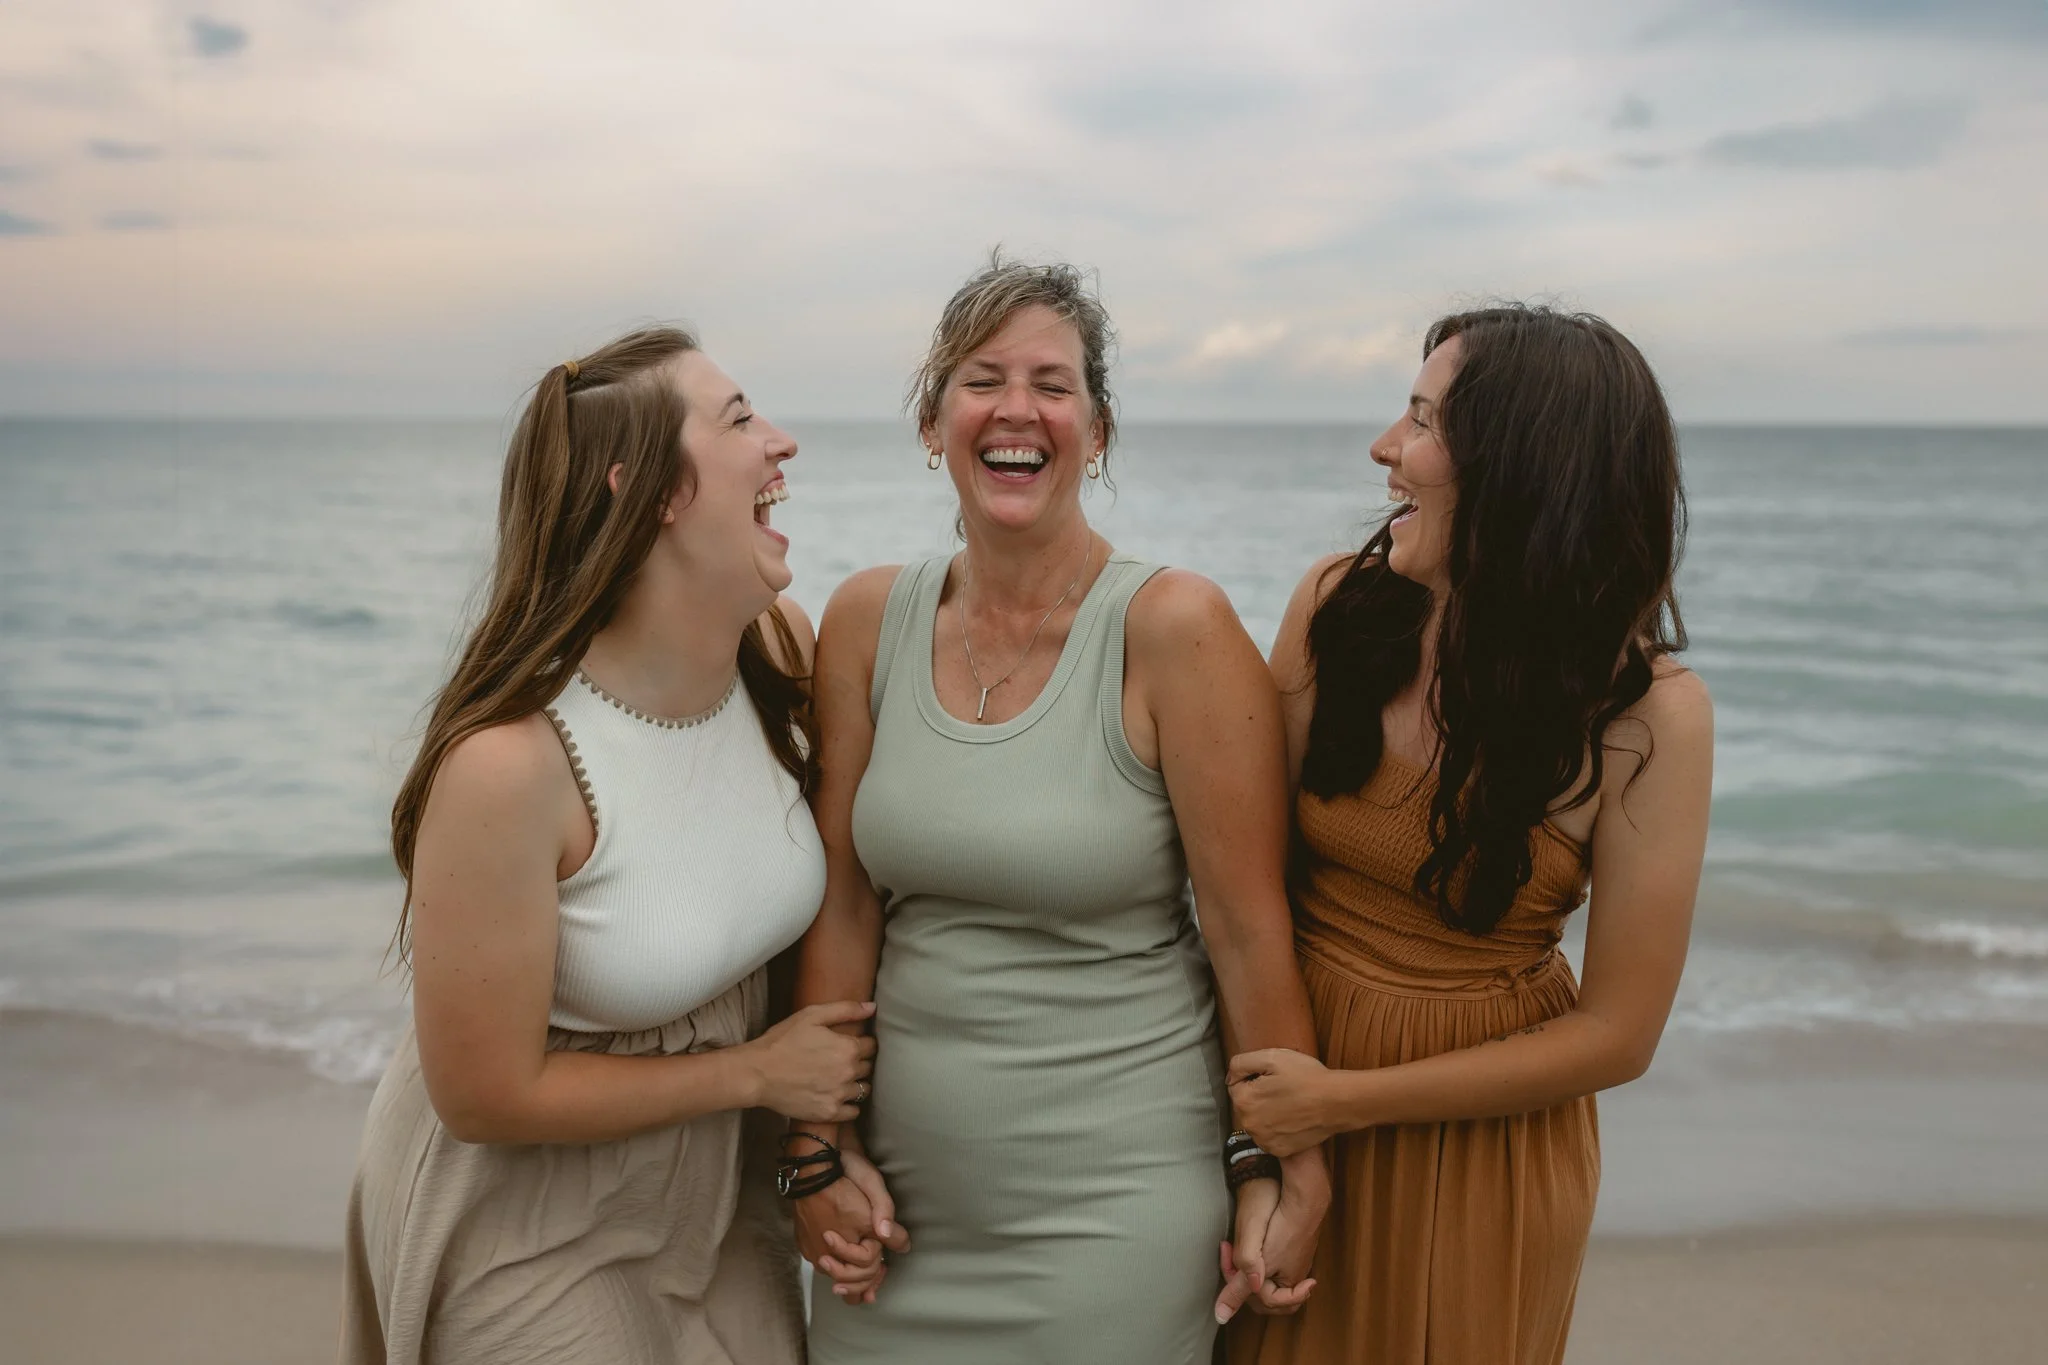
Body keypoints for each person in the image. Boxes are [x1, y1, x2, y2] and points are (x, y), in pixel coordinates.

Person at [785, 256, 1330, 1365]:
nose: (1015, 410)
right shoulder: (863, 619)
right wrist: (811, 1153)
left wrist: (1282, 1165)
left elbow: (1243, 929)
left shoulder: (1174, 627)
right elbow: (843, 909)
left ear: (1098, 429)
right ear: (933, 422)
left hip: (1115, 1216)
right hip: (894, 1220)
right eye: (981, 380)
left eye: (1052, 383)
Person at [340, 327, 876, 1365]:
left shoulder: (776, 650)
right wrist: (758, 1077)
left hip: (717, 1198)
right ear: (653, 491)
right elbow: (485, 1094)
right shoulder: (511, 768)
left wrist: (821, 1147)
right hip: (526, 1216)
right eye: (738, 421)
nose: (782, 444)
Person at [1224, 305, 1714, 1365]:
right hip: (1281, 1081)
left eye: (1421, 419)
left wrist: (1343, 1105)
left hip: (1474, 1153)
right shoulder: (1331, 606)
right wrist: (1274, 1133)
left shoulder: (1647, 716)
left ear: (1520, 469)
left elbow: (1614, 1035)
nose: (1383, 449)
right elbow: (1239, 886)